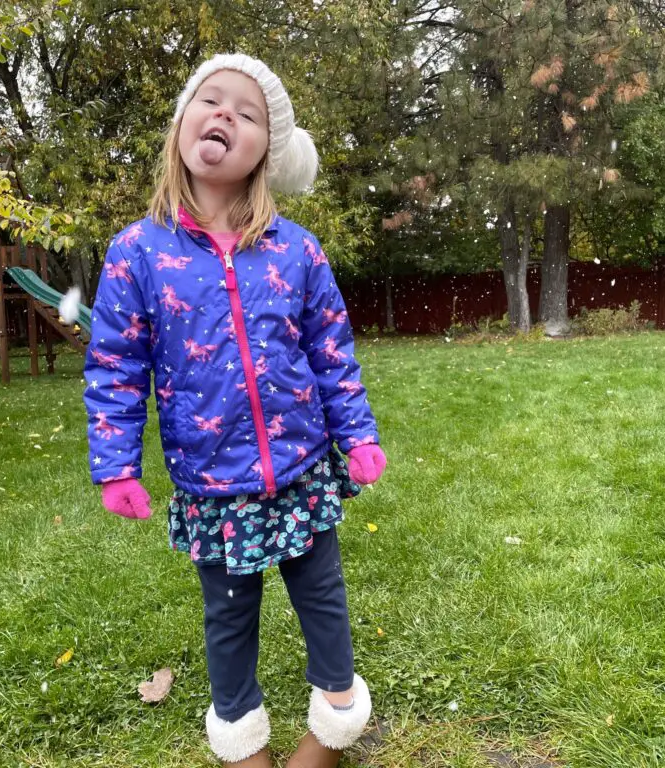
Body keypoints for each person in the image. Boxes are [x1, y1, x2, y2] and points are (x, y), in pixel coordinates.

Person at [83, 53, 388, 768]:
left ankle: (328, 738)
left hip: (302, 471)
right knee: (228, 622)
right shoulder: (137, 254)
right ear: (182, 126)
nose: (223, 114)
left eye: (245, 113)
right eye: (209, 100)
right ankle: (244, 750)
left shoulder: (297, 250)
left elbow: (331, 351)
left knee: (326, 611)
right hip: (211, 483)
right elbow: (115, 368)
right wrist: (115, 466)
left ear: (264, 153)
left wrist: (358, 435)